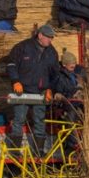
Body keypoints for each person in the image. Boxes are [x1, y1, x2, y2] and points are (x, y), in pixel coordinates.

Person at [5, 24, 60, 154]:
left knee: (39, 120)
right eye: (48, 37)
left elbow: (55, 74)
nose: (50, 40)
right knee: (19, 119)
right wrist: (15, 81)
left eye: (52, 38)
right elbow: (11, 64)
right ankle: (14, 151)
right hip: (22, 90)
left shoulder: (52, 53)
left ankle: (39, 150)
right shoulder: (22, 47)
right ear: (40, 35)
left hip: (41, 91)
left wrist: (50, 89)